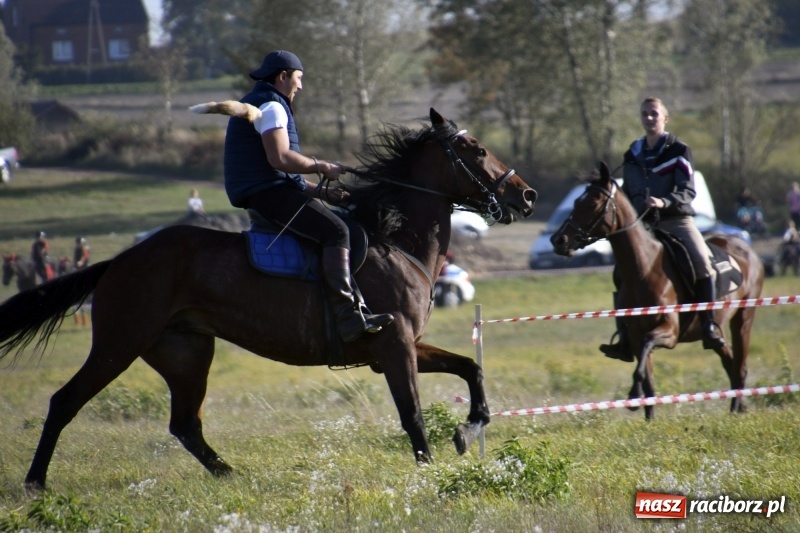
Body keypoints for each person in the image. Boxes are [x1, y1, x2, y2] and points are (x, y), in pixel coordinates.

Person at [223, 50, 393, 343]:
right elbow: (280, 159)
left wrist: (325, 194)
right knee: (337, 232)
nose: (300, 86)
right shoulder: (272, 107)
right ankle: (347, 316)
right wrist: (321, 165)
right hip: (268, 196)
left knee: (338, 223)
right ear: (283, 76)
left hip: (270, 191)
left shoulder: (263, 102)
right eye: (299, 79)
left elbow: (283, 174)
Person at [600, 97, 725, 361]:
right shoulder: (632, 152)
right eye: (644, 114)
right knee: (620, 272)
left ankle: (709, 324)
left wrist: (663, 201)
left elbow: (688, 190)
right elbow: (628, 191)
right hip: (644, 225)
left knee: (703, 263)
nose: (648, 118)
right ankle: (624, 338)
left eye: (653, 114)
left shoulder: (679, 149)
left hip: (677, 220)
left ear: (664, 118)